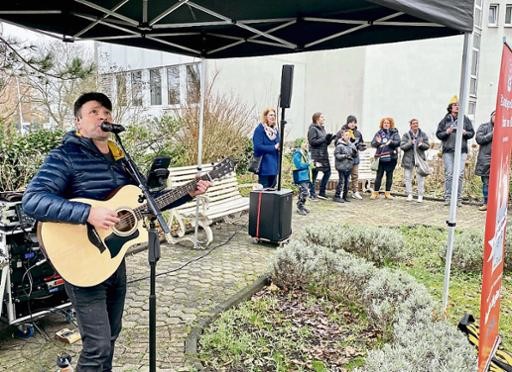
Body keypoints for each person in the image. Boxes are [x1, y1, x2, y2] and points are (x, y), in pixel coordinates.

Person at [22, 92, 211, 371]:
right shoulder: (65, 156)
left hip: (113, 260)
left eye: (107, 112)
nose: (103, 116)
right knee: (97, 346)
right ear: (79, 122)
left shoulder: (120, 157)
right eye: (94, 112)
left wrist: (187, 193)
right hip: (81, 262)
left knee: (110, 336)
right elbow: (33, 200)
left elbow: (145, 201)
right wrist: (88, 213)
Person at [436, 96, 475, 206]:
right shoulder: (445, 120)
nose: (457, 107)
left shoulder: (464, 119)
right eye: (455, 105)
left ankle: (458, 198)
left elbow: (472, 133)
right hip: (448, 151)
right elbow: (439, 134)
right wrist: (447, 132)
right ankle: (448, 198)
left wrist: (465, 133)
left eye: (458, 105)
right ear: (450, 107)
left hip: (461, 151)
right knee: (449, 174)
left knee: (460, 174)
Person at [335, 115, 366, 200]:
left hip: (354, 157)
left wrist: (361, 147)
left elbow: (360, 143)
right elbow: (336, 143)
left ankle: (355, 191)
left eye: (354, 122)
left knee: (355, 175)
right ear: (347, 122)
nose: (353, 124)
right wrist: (347, 142)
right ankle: (342, 193)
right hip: (345, 159)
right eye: (351, 122)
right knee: (344, 177)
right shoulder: (342, 131)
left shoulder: (358, 133)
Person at [400, 118, 430, 202]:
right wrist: (410, 143)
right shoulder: (406, 135)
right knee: (407, 178)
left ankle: (420, 195)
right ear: (410, 125)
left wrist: (421, 144)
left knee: (420, 178)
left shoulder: (423, 134)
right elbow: (402, 146)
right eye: (414, 123)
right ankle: (409, 194)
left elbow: (427, 145)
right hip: (408, 159)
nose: (415, 125)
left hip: (419, 159)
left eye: (417, 123)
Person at [370, 117, 401, 200]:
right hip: (381, 159)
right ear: (382, 124)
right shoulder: (378, 133)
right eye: (384, 123)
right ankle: (375, 193)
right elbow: (372, 143)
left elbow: (398, 142)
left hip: (391, 158)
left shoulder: (394, 133)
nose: (386, 124)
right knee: (379, 176)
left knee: (389, 176)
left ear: (390, 124)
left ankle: (387, 193)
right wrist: (378, 142)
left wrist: (390, 142)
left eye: (388, 123)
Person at [307, 112, 334, 200]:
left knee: (328, 172)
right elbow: (312, 142)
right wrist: (324, 138)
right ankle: (312, 193)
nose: (324, 119)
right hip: (315, 155)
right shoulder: (312, 129)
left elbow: (324, 142)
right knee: (314, 174)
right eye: (322, 117)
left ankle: (322, 192)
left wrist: (329, 139)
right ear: (317, 118)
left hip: (323, 155)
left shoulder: (322, 129)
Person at [252, 108, 280, 188]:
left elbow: (277, 144)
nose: (273, 117)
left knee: (272, 189)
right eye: (271, 115)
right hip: (264, 166)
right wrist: (274, 147)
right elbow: (257, 147)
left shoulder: (275, 131)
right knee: (264, 191)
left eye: (274, 115)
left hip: (274, 166)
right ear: (265, 117)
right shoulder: (260, 130)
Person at [475, 110, 495, 211]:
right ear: (491, 116)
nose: (496, 117)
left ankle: (495, 204)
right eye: (494, 115)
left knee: (497, 183)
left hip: (498, 161)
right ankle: (486, 203)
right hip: (486, 160)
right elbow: (479, 139)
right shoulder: (483, 127)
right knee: (486, 183)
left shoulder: (504, 127)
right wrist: (492, 134)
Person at [333, 130, 356, 203]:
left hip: (348, 166)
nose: (347, 136)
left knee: (347, 182)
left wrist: (355, 153)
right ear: (342, 136)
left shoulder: (351, 145)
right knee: (341, 181)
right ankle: (337, 196)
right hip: (341, 167)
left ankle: (344, 196)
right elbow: (337, 155)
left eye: (348, 135)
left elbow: (354, 154)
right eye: (346, 135)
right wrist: (345, 156)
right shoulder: (339, 145)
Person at [291, 138, 313, 215]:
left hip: (306, 176)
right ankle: (299, 206)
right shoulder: (297, 153)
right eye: (304, 142)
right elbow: (298, 165)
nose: (306, 144)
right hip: (300, 176)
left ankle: (302, 205)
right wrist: (308, 164)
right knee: (304, 191)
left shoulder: (306, 153)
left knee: (304, 192)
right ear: (300, 144)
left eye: (307, 143)